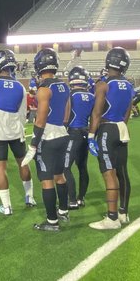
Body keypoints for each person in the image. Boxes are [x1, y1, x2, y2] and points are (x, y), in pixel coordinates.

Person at [0, 50, 35, 215]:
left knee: (0, 169)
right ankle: (29, 197)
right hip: (17, 132)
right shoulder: (20, 87)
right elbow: (23, 114)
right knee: (23, 163)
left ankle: (7, 207)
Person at [23, 49, 72, 232]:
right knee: (60, 175)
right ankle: (64, 210)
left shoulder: (44, 89)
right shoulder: (64, 85)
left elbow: (41, 118)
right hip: (62, 133)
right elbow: (67, 113)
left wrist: (34, 144)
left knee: (46, 179)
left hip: (48, 137)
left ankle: (52, 222)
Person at [88, 47, 135, 231]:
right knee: (122, 172)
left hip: (107, 129)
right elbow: (127, 113)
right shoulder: (129, 85)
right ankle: (123, 212)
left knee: (109, 173)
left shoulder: (103, 84)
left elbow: (97, 113)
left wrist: (91, 136)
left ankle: (112, 218)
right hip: (122, 129)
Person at [63, 66, 94, 210]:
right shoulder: (92, 96)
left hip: (73, 133)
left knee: (65, 167)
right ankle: (81, 198)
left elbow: (66, 117)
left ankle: (72, 200)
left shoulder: (70, 96)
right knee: (82, 167)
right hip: (86, 133)